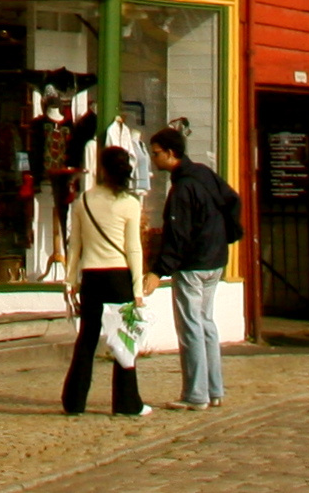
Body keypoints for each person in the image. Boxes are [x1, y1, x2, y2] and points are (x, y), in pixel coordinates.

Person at [145, 127, 237, 410]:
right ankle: (214, 389)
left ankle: (196, 394)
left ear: (171, 153)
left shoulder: (183, 187)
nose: (153, 158)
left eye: (156, 153)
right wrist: (226, 238)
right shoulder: (204, 174)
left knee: (191, 327)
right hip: (214, 260)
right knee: (206, 323)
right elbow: (233, 201)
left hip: (192, 265)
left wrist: (159, 269)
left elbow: (178, 234)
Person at [62, 144, 147, 416]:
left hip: (91, 276)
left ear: (101, 170)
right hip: (119, 275)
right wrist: (138, 289)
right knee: (123, 341)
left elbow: (74, 245)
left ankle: (74, 401)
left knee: (86, 338)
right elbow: (133, 248)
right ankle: (126, 402)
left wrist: (69, 280)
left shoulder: (83, 201)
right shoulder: (129, 204)